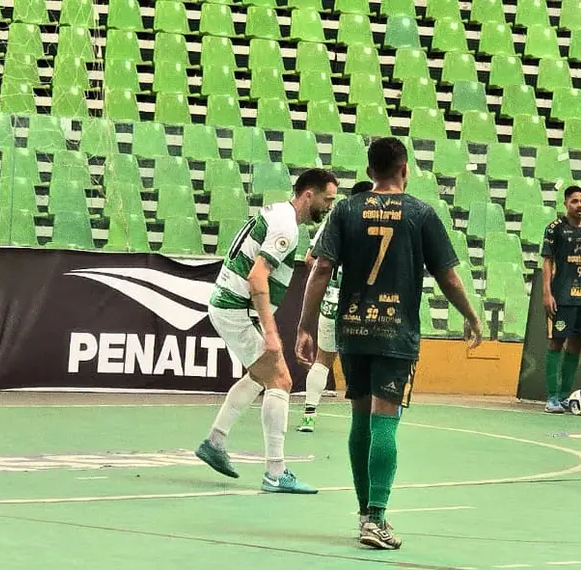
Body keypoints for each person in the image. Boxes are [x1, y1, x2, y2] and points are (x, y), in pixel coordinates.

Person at [295, 138, 482, 550]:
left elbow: (321, 267)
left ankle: (364, 514)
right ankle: (377, 518)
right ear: (404, 169)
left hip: (354, 328)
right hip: (396, 332)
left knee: (360, 419)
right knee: (385, 420)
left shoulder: (345, 209)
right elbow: (447, 275)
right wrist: (470, 314)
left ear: (370, 169)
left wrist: (305, 325)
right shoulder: (419, 212)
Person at [195, 168, 338, 494]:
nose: (329, 207)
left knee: (260, 376)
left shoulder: (278, 212)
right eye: (327, 200)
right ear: (308, 195)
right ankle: (275, 472)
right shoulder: (287, 225)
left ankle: (214, 441)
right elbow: (258, 278)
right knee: (281, 381)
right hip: (235, 310)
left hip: (229, 305)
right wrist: (271, 334)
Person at [298, 181, 374, 433]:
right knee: (365, 363)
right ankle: (366, 421)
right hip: (364, 304)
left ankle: (309, 415)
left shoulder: (334, 220)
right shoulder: (379, 223)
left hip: (332, 302)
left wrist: (330, 277)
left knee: (322, 360)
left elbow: (311, 259)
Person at [541, 186, 581, 414]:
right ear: (566, 204)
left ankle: (566, 396)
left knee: (577, 343)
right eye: (575, 201)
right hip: (561, 296)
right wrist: (547, 293)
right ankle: (551, 398)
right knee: (556, 341)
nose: (579, 205)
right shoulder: (554, 229)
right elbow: (547, 261)